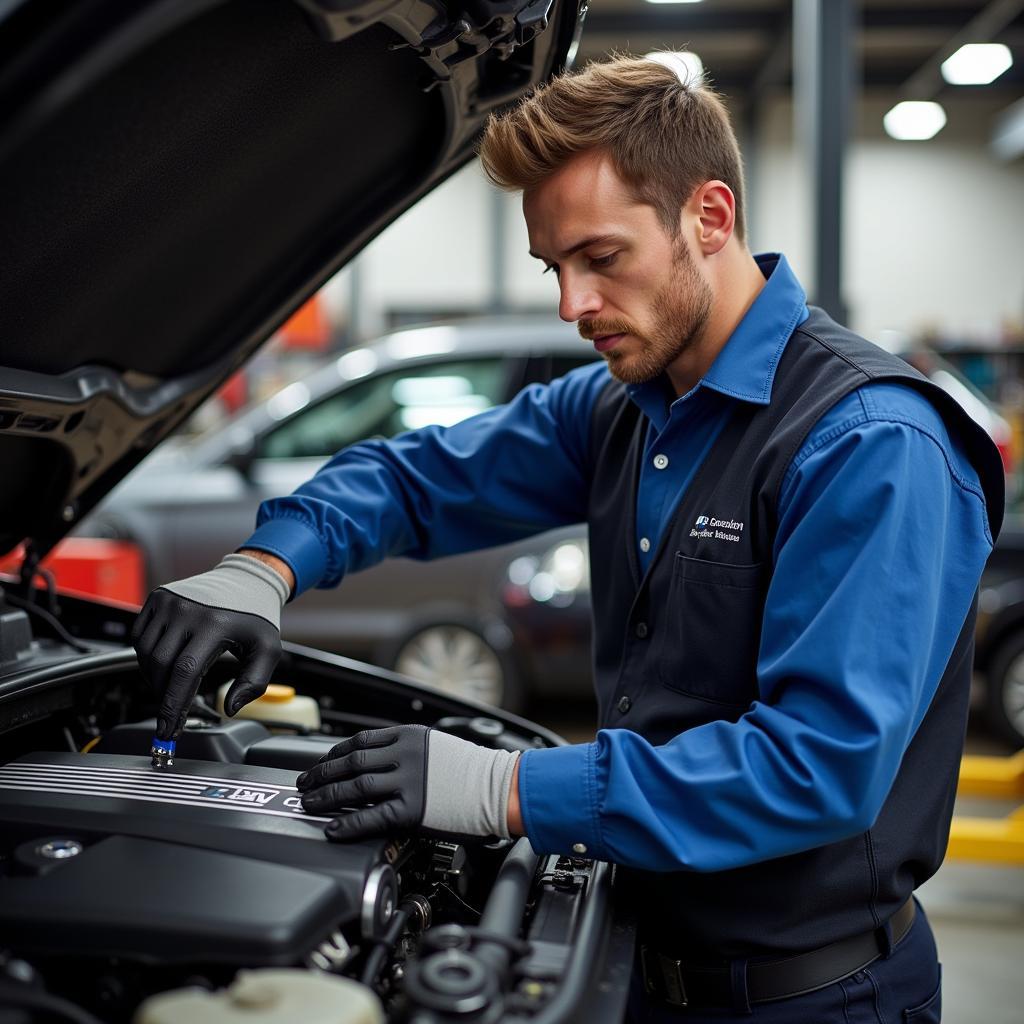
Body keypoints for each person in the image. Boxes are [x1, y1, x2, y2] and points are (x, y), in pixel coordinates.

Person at [132, 55, 1003, 1022]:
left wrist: (504, 788)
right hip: (638, 960)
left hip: (818, 998)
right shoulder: (627, 406)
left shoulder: (869, 443)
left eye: (601, 258)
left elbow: (817, 767)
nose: (569, 305)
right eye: (555, 267)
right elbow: (418, 478)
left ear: (708, 218)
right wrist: (263, 567)